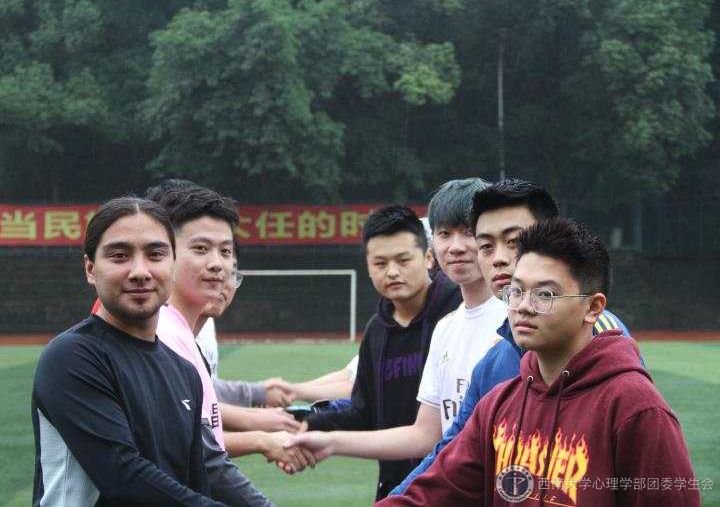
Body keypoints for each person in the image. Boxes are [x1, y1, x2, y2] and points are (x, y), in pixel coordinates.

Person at [378, 219, 698, 506]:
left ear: (593, 307)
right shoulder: (498, 405)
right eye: (516, 291)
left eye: (545, 295)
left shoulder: (635, 408)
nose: (523, 307)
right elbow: (432, 493)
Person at [391, 178, 635, 495]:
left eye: (514, 242)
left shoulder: (598, 335)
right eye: (486, 246)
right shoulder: (492, 363)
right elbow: (449, 455)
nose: (499, 258)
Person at [285, 179, 508, 481]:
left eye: (468, 232)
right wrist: (325, 436)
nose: (456, 247)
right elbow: (426, 435)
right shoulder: (445, 329)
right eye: (444, 234)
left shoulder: (517, 320)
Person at [31, 197, 223, 506]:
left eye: (155, 254)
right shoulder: (71, 357)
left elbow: (196, 484)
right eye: (120, 256)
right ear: (90, 268)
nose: (140, 271)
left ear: (173, 265)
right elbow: (123, 476)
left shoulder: (185, 372)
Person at [294, 204, 463, 500]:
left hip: (454, 487)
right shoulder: (376, 331)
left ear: (428, 258)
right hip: (397, 491)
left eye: (403, 260)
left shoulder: (457, 312)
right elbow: (363, 413)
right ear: (368, 267)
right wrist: (302, 425)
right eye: (380, 263)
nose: (393, 272)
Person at [148, 183, 313, 485]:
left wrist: (259, 410)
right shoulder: (156, 335)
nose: (218, 266)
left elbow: (200, 418)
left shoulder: (185, 334)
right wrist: (261, 435)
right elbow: (183, 444)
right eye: (201, 249)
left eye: (226, 253)